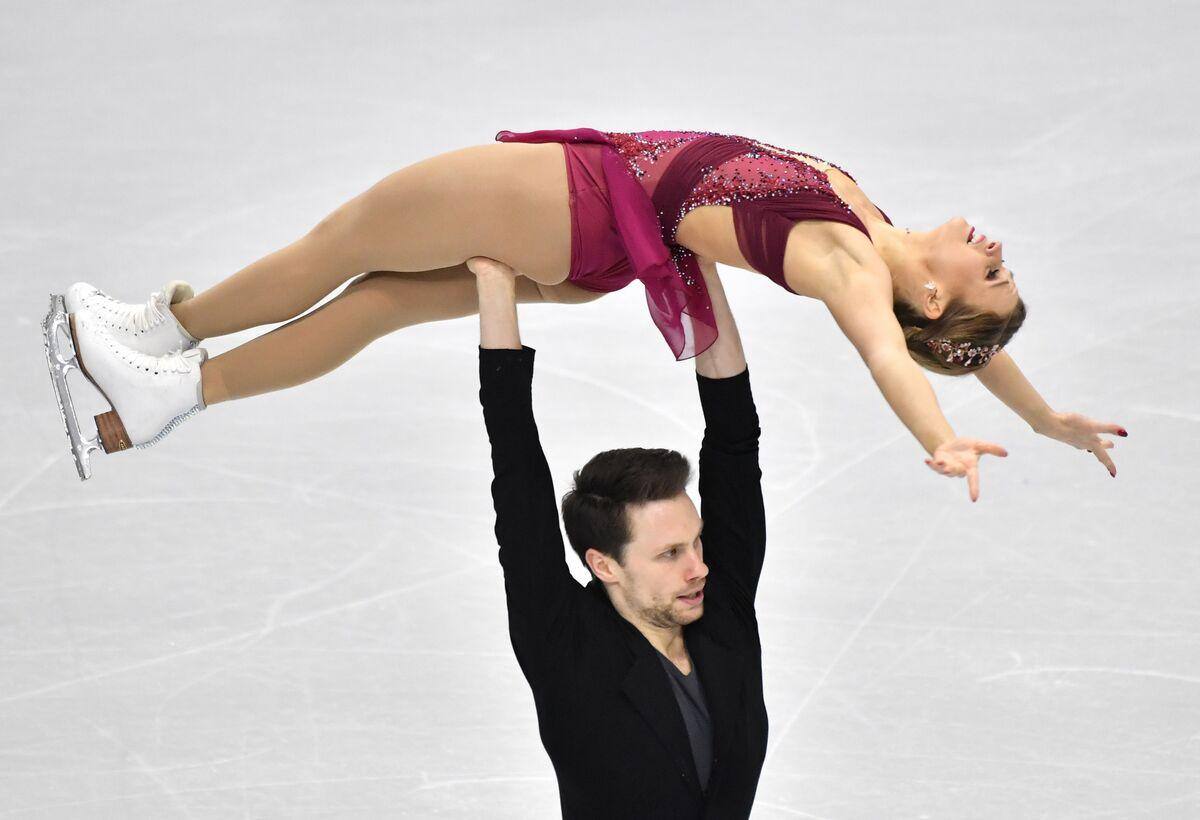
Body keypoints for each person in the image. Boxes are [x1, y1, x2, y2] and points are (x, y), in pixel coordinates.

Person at [43, 127, 1126, 494]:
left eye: (994, 272)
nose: (995, 250)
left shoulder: (846, 258)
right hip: (601, 229)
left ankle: (152, 337)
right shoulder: (875, 226)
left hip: (577, 202)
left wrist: (936, 435)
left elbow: (896, 354)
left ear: (929, 292)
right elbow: (956, 343)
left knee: (349, 239)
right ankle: (167, 399)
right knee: (375, 300)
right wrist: (1040, 416)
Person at [475, 253, 765, 818]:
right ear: (604, 564)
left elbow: (735, 442)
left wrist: (697, 264)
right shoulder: (566, 646)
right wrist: (496, 280)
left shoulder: (721, 615)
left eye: (696, 543)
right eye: (669, 554)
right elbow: (516, 467)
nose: (699, 568)